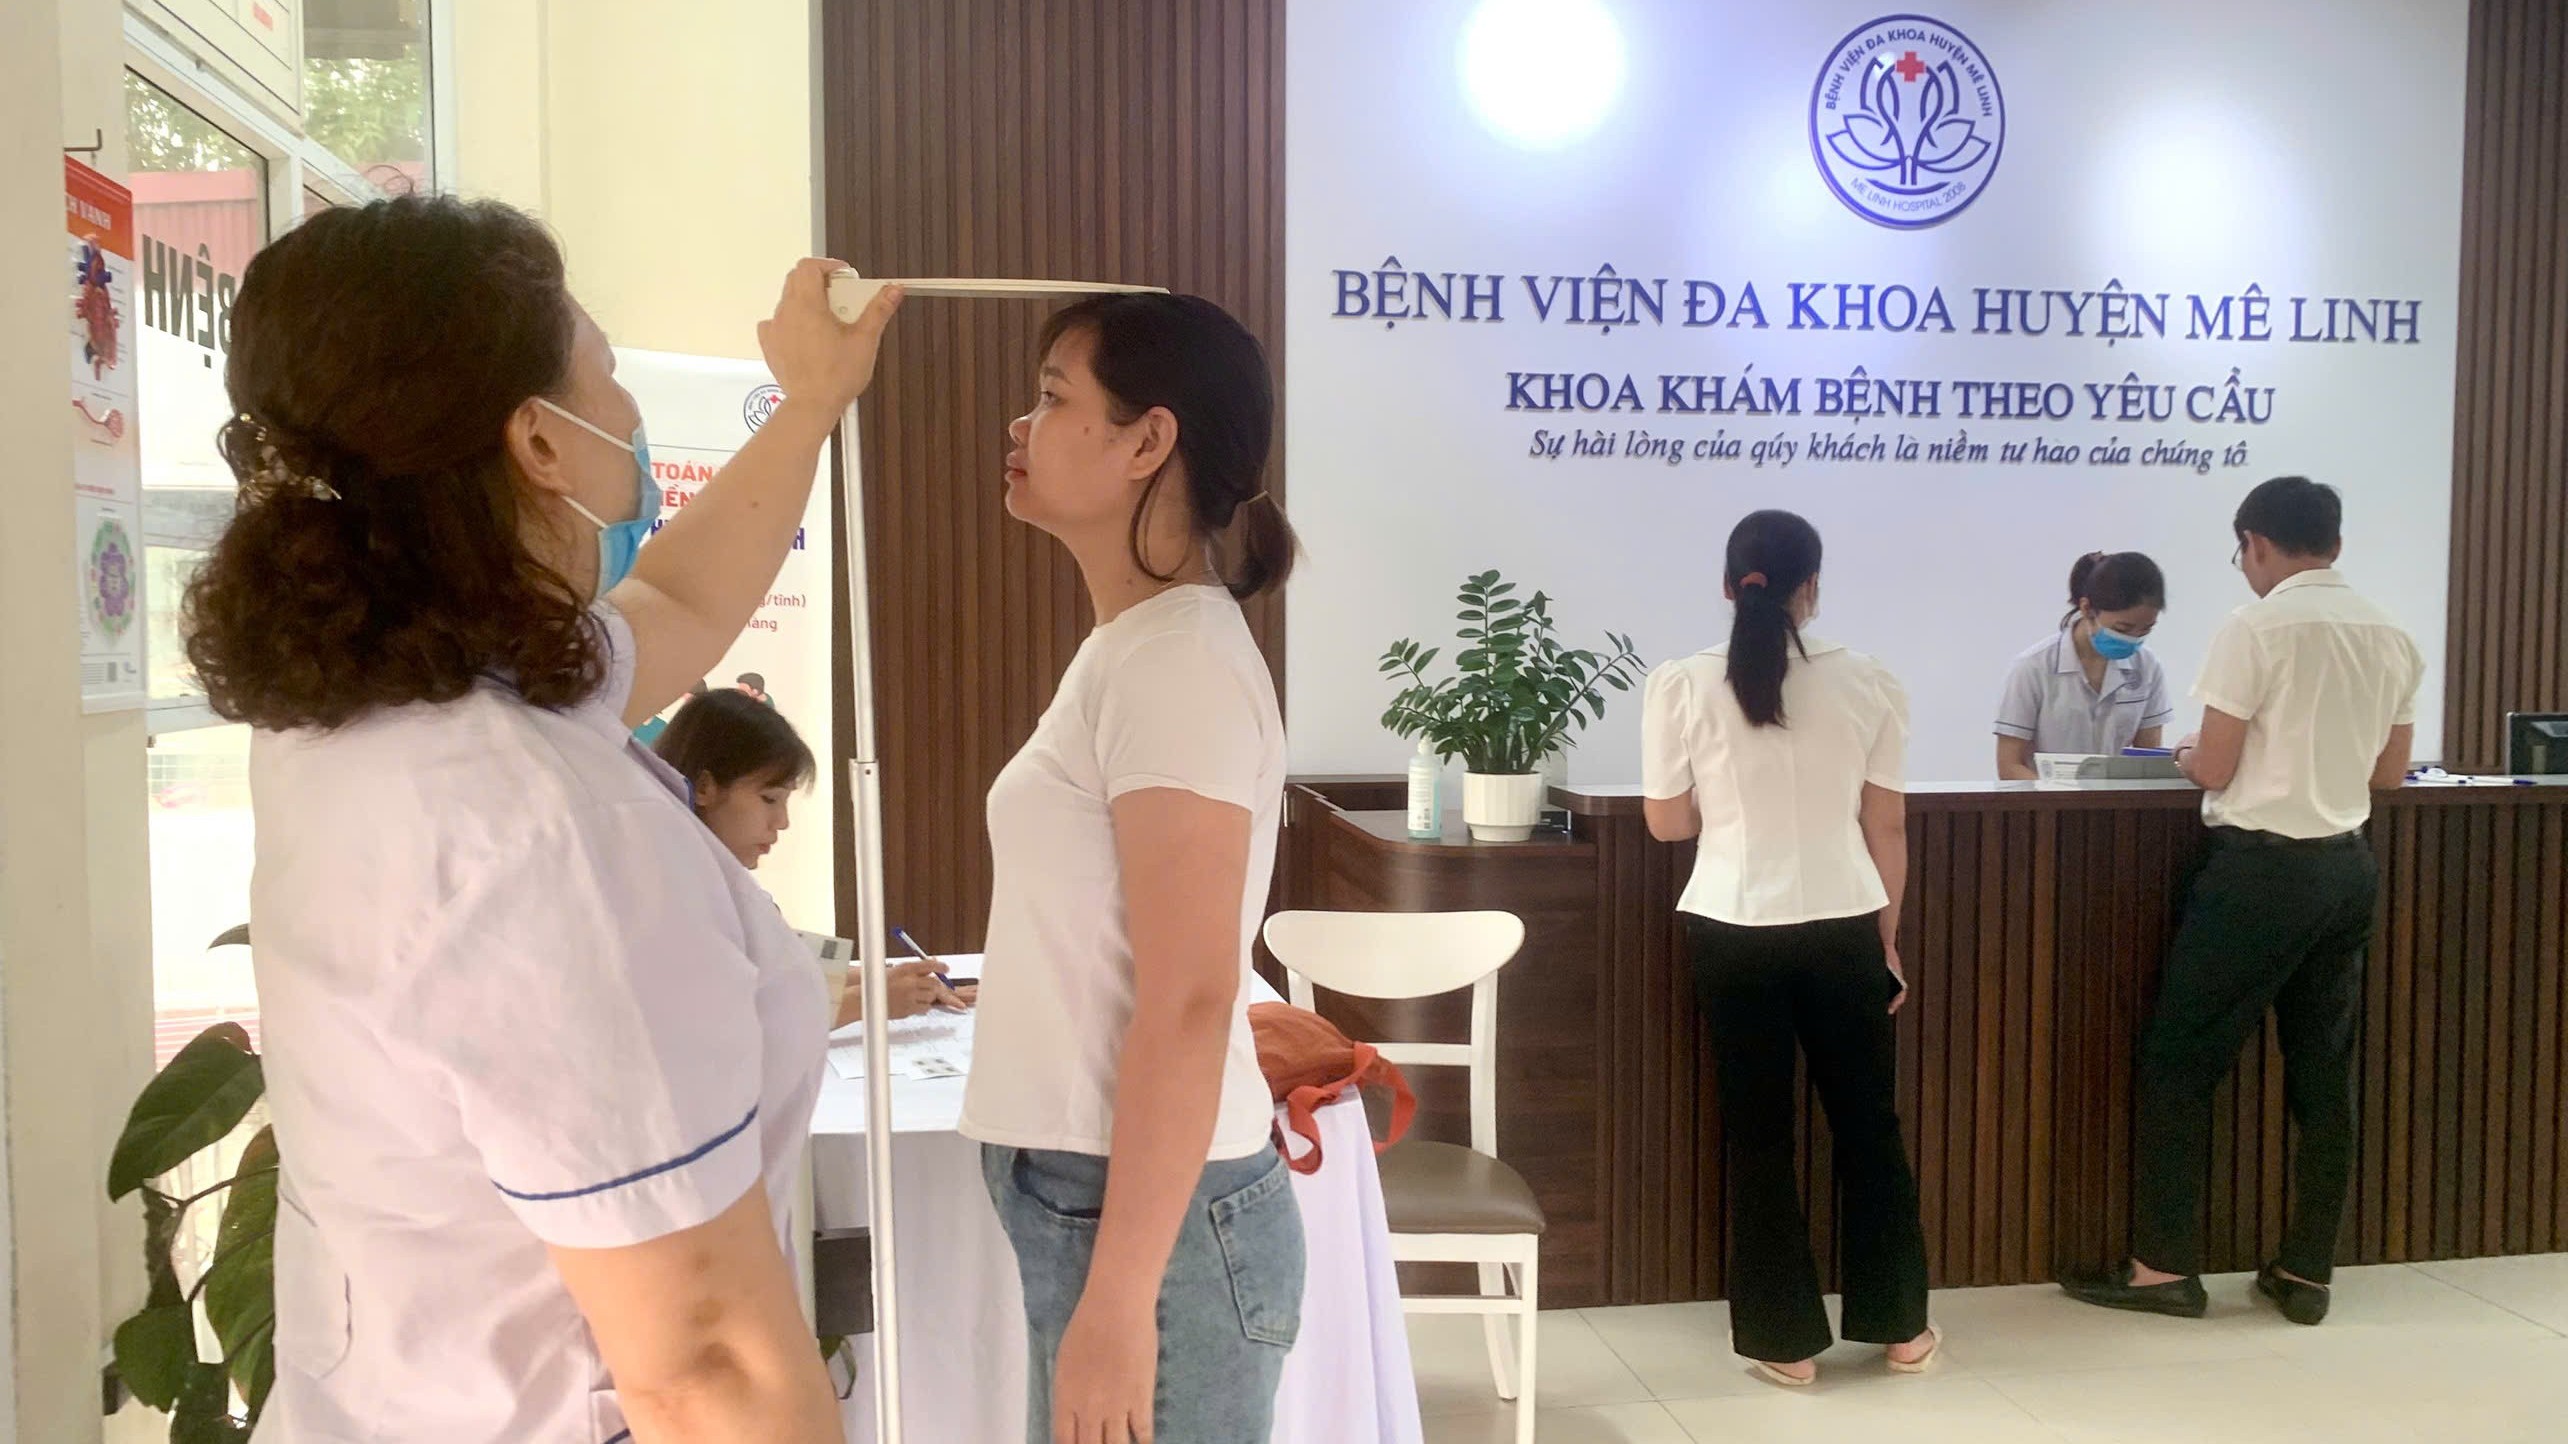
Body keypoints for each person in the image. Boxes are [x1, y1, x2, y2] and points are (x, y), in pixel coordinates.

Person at [181, 194, 902, 1441]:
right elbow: (709, 1369)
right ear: (538, 440)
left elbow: (675, 605)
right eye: (606, 376)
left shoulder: (369, 695)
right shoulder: (538, 832)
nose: (629, 412)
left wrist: (810, 405)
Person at [958, 293, 1306, 1444]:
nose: (1020, 425)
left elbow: (1194, 997)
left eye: (1053, 397)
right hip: (1110, 1198)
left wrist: (1117, 1303)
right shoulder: (1137, 649)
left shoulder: (1176, 665)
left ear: (1149, 440)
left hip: (1152, 1221)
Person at [2063, 477, 2422, 1326]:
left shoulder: (2254, 628)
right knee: (2324, 1073)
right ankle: (2306, 1271)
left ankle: (2162, 1270)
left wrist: (2189, 755)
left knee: (2180, 1061)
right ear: (2334, 543)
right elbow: (2388, 773)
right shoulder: (2393, 634)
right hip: (2347, 869)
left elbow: (2217, 766)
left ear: (2256, 543)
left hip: (2261, 872)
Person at [1639, 509, 1939, 1386]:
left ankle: (1784, 1343)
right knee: (1869, 1126)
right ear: (1812, 587)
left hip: (1732, 925)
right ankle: (1903, 1329)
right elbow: (1887, 824)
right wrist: (1887, 938)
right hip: (1845, 923)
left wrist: (1729, 801)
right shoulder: (1870, 681)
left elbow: (1666, 824)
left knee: (1760, 1137)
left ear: (1729, 585)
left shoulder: (1683, 683)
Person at [652, 687, 966, 1023]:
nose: (782, 822)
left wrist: (896, 981)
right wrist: (872, 1000)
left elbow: (783, 968)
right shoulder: (665, 891)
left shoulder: (713, 874)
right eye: (770, 799)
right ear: (704, 788)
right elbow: (728, 1019)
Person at [1994, 551, 2175, 778]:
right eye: (2122, 629)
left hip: (2119, 798)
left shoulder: (2147, 666)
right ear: (2087, 609)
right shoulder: (2033, 667)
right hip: (2047, 797)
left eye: (2145, 629)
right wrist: (2058, 794)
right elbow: (2010, 765)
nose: (2133, 639)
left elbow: (2148, 760)